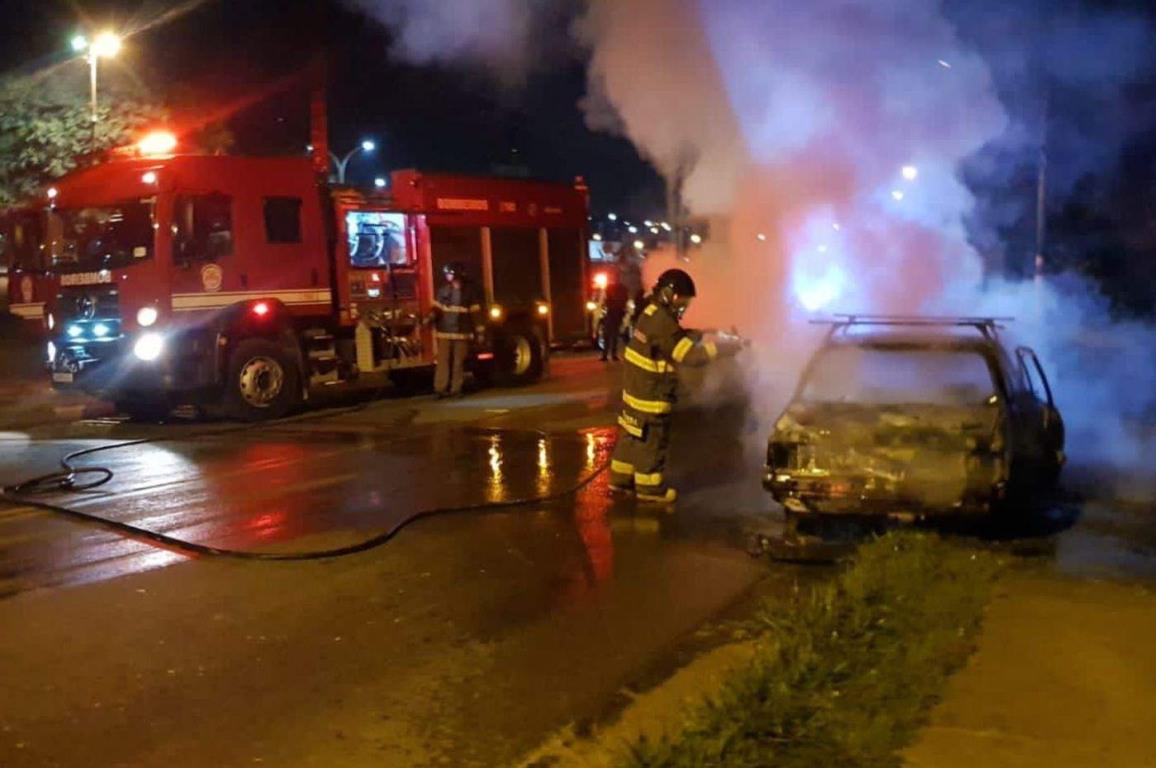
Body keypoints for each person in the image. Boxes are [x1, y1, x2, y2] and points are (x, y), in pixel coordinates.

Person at [609, 268, 744, 504]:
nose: (684, 307)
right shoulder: (663, 322)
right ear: (669, 294)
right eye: (682, 301)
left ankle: (620, 480)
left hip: (635, 392)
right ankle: (650, 489)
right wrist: (724, 350)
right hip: (651, 395)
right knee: (653, 442)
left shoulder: (650, 313)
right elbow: (690, 357)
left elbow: (667, 340)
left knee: (633, 436)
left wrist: (696, 333)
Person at [428, 262, 484, 399]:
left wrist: (480, 332)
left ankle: (455, 389)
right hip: (445, 332)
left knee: (458, 362)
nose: (447, 276)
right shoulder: (443, 291)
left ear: (456, 274)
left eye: (449, 273)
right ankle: (440, 389)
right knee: (442, 361)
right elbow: (436, 309)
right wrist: (428, 318)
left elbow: (476, 313)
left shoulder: (469, 292)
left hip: (462, 333)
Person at [600, 279, 630, 362]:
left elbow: (603, 304)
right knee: (614, 336)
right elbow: (625, 301)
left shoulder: (609, 291)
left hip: (610, 315)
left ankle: (605, 355)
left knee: (607, 335)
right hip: (618, 315)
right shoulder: (622, 290)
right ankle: (613, 355)